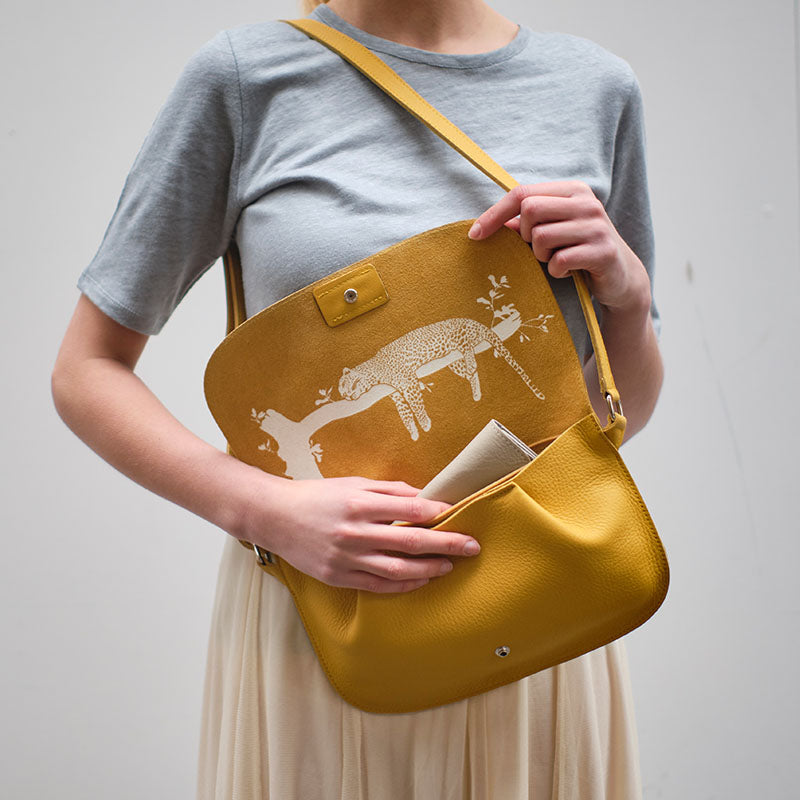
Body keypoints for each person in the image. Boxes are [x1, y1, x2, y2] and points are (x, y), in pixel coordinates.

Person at [51, 0, 664, 796]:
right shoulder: (244, 80)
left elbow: (613, 416)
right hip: (329, 620)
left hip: (540, 602)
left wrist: (628, 296)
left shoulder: (595, 88)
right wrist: (265, 511)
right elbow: (86, 370)